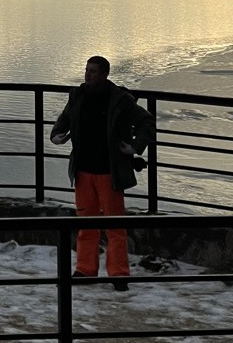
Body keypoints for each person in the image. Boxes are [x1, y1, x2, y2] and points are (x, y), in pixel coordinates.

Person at [50, 54, 155, 291]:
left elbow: (146, 121)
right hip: (83, 171)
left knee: (114, 226)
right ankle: (86, 270)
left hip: (109, 172)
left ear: (105, 75)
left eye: (93, 71)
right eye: (87, 70)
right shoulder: (77, 96)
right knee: (86, 224)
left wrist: (135, 147)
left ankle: (119, 275)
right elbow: (64, 120)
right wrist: (57, 134)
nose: (87, 75)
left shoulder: (119, 99)